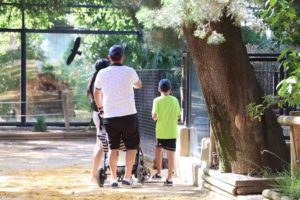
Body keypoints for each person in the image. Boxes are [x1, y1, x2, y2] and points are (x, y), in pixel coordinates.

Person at [94, 45, 143, 188]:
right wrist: (132, 84)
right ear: (123, 57)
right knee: (132, 146)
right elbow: (139, 85)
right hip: (129, 115)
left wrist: (101, 108)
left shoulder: (102, 73)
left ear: (109, 58)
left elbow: (97, 93)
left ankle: (114, 179)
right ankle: (128, 177)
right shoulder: (129, 71)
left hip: (110, 115)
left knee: (112, 147)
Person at [151, 79, 181, 186]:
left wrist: (159, 116)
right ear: (170, 89)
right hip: (172, 132)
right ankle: (169, 178)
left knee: (159, 150)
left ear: (159, 89)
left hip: (161, 132)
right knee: (170, 154)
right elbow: (178, 116)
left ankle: (158, 173)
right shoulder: (175, 100)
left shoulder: (157, 100)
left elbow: (154, 116)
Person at [86, 58, 110, 184]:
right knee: (101, 146)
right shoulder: (101, 80)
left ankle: (93, 174)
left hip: (96, 114)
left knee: (98, 144)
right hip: (101, 114)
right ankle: (93, 176)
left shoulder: (94, 79)